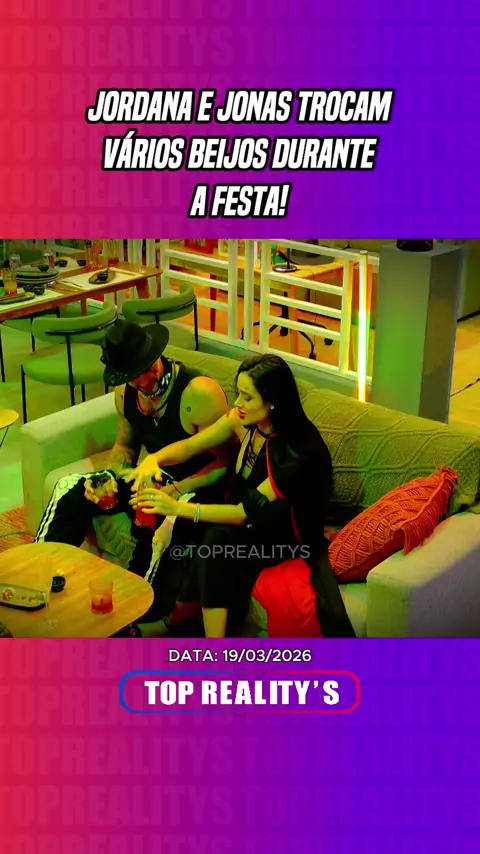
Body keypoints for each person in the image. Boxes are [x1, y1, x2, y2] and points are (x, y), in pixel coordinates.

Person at [126, 353, 355, 638]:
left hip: (282, 541)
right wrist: (154, 460)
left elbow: (244, 513)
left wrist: (175, 507)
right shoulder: (243, 420)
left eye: (247, 397)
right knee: (194, 528)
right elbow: (191, 446)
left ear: (272, 401)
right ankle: (170, 617)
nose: (237, 403)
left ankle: (205, 640)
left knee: (215, 540)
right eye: (238, 393)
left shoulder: (298, 452)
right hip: (247, 525)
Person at [35, 319, 232, 602]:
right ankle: (41, 573)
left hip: (194, 489)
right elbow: (125, 446)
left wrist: (175, 490)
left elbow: (226, 463)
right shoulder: (125, 393)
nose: (147, 378)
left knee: (163, 530)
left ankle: (138, 606)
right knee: (69, 487)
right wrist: (112, 477)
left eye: (149, 366)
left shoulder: (199, 394)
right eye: (135, 374)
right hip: (149, 479)